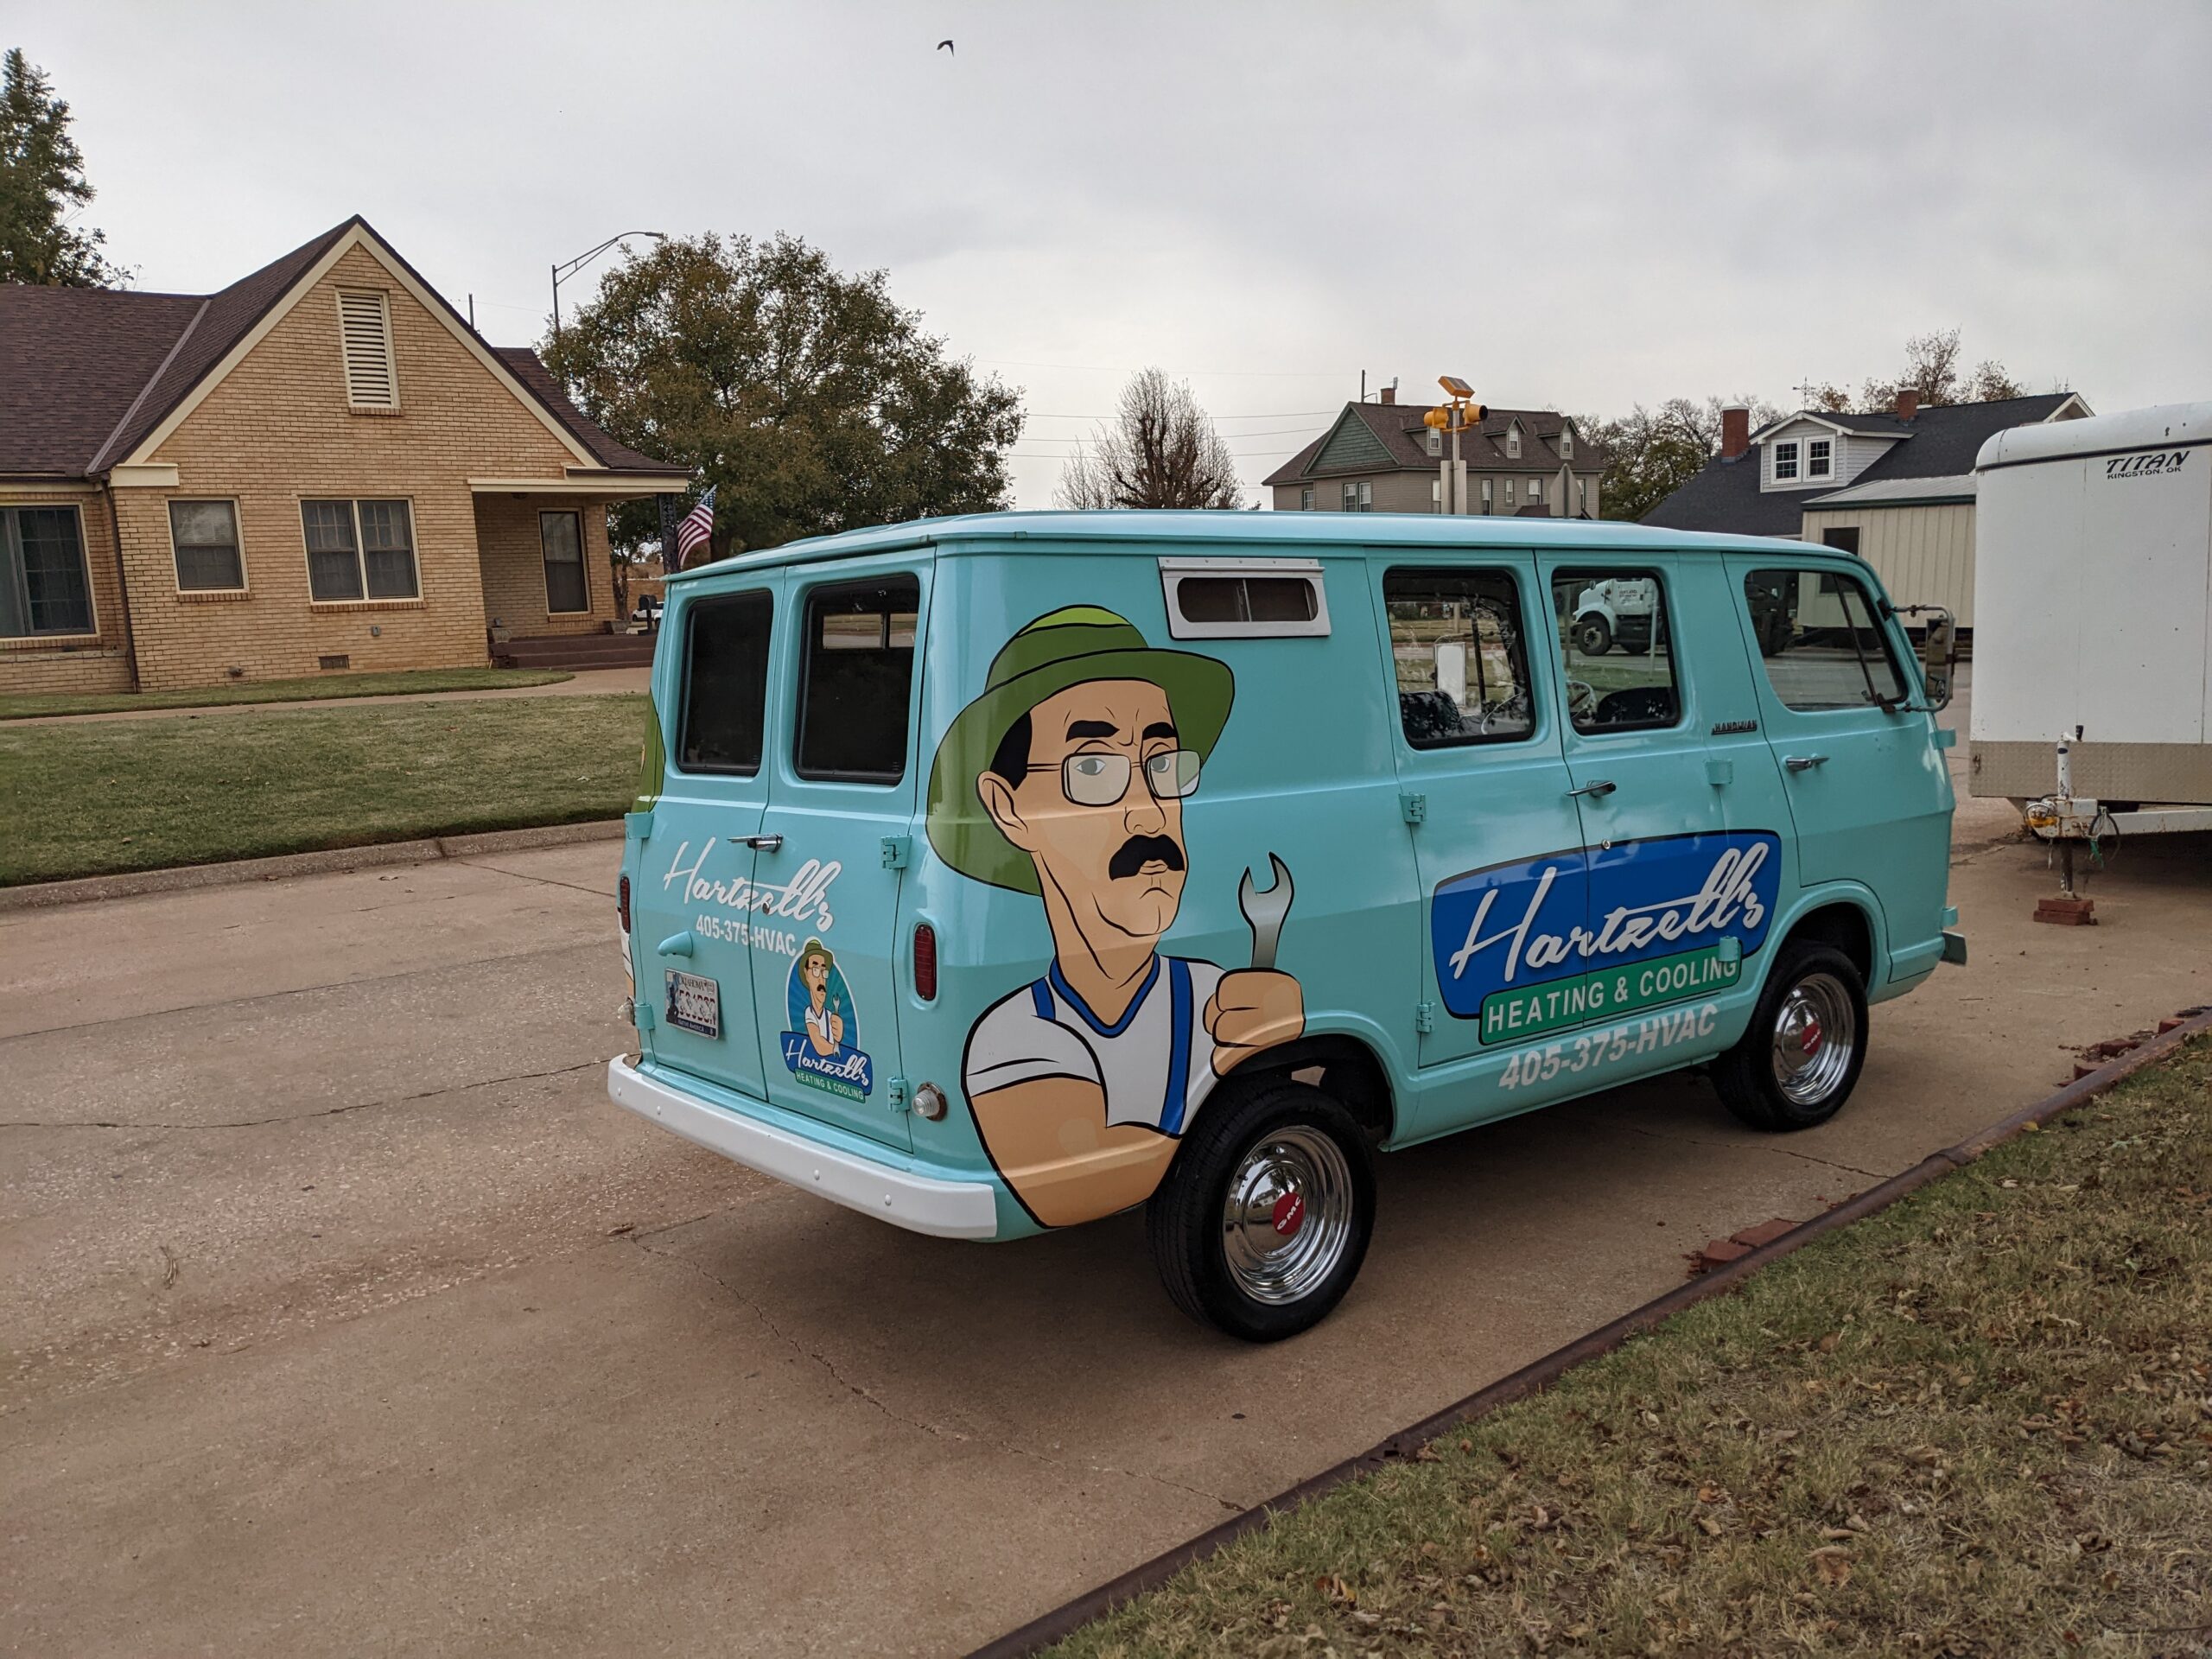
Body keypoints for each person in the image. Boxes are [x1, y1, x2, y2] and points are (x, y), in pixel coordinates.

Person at [925, 607, 1304, 1227]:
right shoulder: (1011, 1037)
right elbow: (1064, 1181)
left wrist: (1289, 1046)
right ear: (1008, 808)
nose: (1150, 813)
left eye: (1163, 765)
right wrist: (1235, 1074)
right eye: (1093, 769)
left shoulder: (1215, 993)